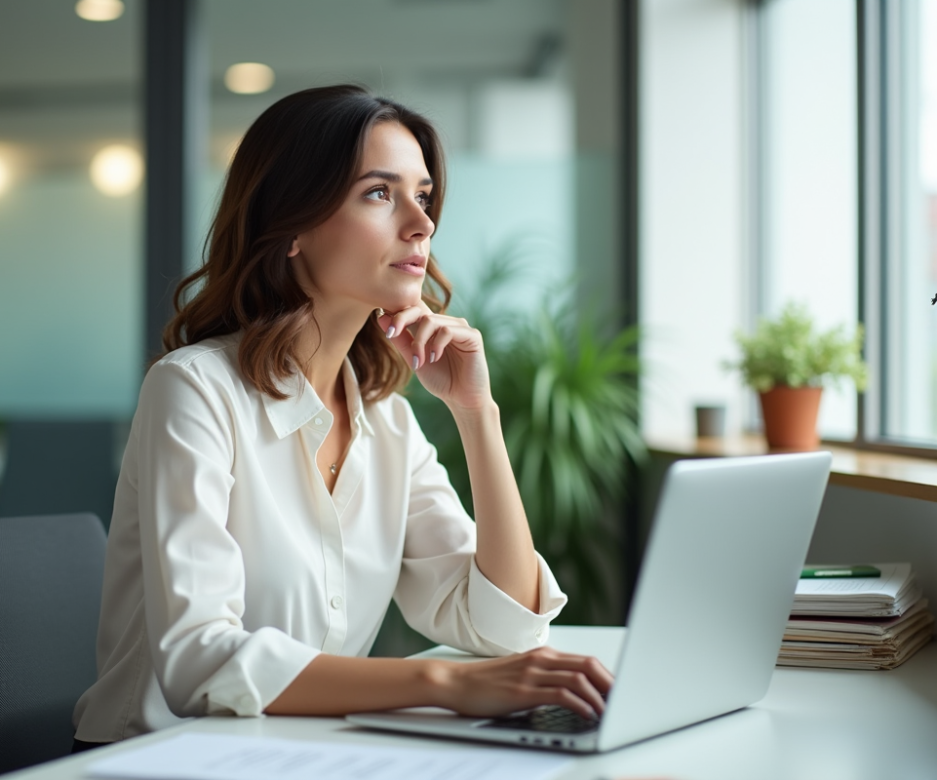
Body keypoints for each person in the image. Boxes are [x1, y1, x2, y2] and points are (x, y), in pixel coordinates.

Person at [71, 84, 612, 750]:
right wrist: (442, 686)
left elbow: (505, 625)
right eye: (380, 194)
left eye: (424, 196)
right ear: (292, 223)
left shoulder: (385, 421)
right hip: (155, 760)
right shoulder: (193, 390)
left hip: (300, 756)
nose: (421, 224)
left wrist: (477, 414)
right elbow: (199, 659)